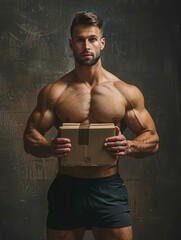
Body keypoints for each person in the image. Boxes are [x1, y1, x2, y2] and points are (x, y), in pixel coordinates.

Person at [23, 11, 159, 240]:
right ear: (71, 44)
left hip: (108, 188)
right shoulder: (55, 92)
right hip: (67, 188)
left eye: (92, 39)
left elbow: (152, 138)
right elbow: (29, 136)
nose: (86, 45)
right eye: (80, 39)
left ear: (102, 43)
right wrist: (49, 147)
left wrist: (129, 146)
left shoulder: (124, 92)